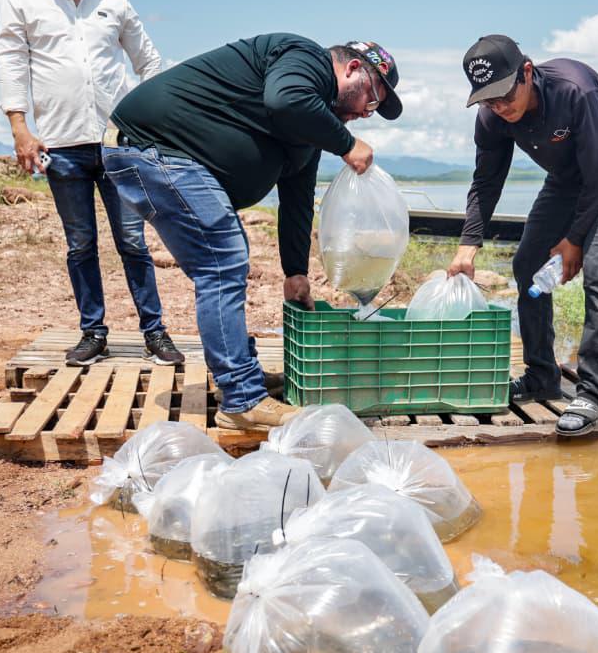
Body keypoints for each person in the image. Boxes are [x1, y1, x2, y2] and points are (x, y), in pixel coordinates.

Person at [102, 35, 401, 431]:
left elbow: (297, 198)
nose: (367, 114)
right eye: (372, 100)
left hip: (163, 158)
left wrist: (296, 273)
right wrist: (346, 144)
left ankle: (243, 379)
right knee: (223, 261)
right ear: (351, 69)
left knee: (226, 256)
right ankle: (242, 400)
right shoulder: (305, 59)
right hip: (151, 148)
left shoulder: (307, 130)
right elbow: (285, 99)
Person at [447, 35, 598, 437]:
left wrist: (574, 240)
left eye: (504, 95)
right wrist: (468, 246)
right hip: (566, 180)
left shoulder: (574, 91)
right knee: (526, 263)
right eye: (488, 100)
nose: (500, 108)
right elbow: (486, 182)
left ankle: (593, 392)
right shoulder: (492, 118)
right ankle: (542, 376)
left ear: (526, 72)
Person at [0, 0, 182, 367]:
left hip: (118, 143)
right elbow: (10, 63)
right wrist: (19, 128)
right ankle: (93, 333)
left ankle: (155, 332)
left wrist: (145, 120)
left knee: (133, 242)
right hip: (60, 146)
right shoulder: (22, 1)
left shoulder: (114, 1)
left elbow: (149, 61)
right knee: (80, 244)